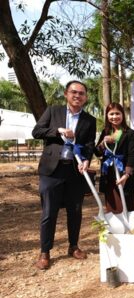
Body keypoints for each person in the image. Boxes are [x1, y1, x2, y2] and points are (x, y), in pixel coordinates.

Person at [32, 80, 96, 270]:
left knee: (75, 211)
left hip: (75, 171)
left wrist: (86, 160)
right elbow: (37, 131)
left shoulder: (89, 120)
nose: (78, 96)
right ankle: (45, 252)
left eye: (82, 93)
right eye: (74, 92)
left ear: (85, 97)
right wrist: (57, 130)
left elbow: (90, 144)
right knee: (48, 212)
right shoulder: (53, 111)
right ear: (66, 94)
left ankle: (73, 246)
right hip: (52, 170)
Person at [94, 103, 134, 213]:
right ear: (107, 116)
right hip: (109, 176)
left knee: (127, 208)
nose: (114, 117)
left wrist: (126, 175)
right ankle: (115, 229)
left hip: (125, 176)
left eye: (117, 113)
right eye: (111, 114)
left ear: (122, 115)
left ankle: (129, 230)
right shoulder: (105, 132)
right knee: (112, 209)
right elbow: (98, 153)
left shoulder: (130, 133)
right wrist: (103, 143)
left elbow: (132, 155)